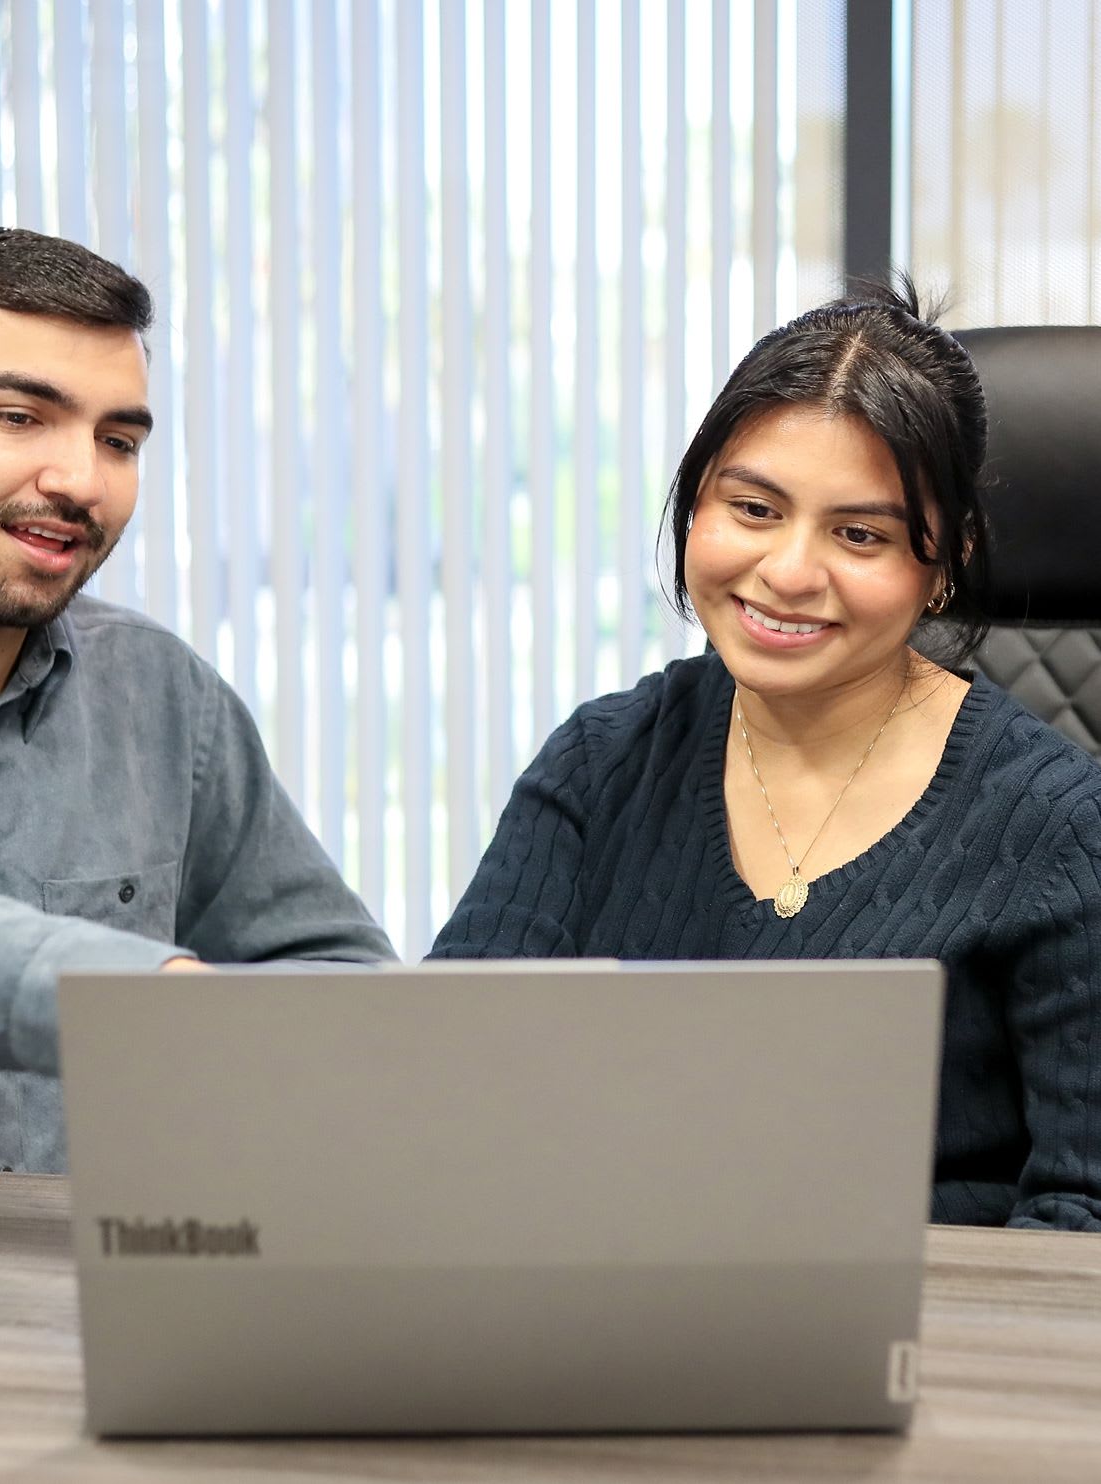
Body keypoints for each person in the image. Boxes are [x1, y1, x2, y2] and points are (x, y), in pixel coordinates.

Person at [430, 280, 1101, 1232]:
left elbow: (1084, 1218)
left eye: (859, 534)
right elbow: (438, 1097)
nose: (788, 572)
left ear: (945, 559)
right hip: (607, 1329)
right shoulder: (603, 762)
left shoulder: (1065, 828)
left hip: (922, 1346)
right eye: (752, 509)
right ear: (696, 504)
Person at [0, 227, 394, 1170]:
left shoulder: (158, 691)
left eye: (118, 440)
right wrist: (142, 995)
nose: (81, 482)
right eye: (20, 417)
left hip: (99, 1296)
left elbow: (334, 982)